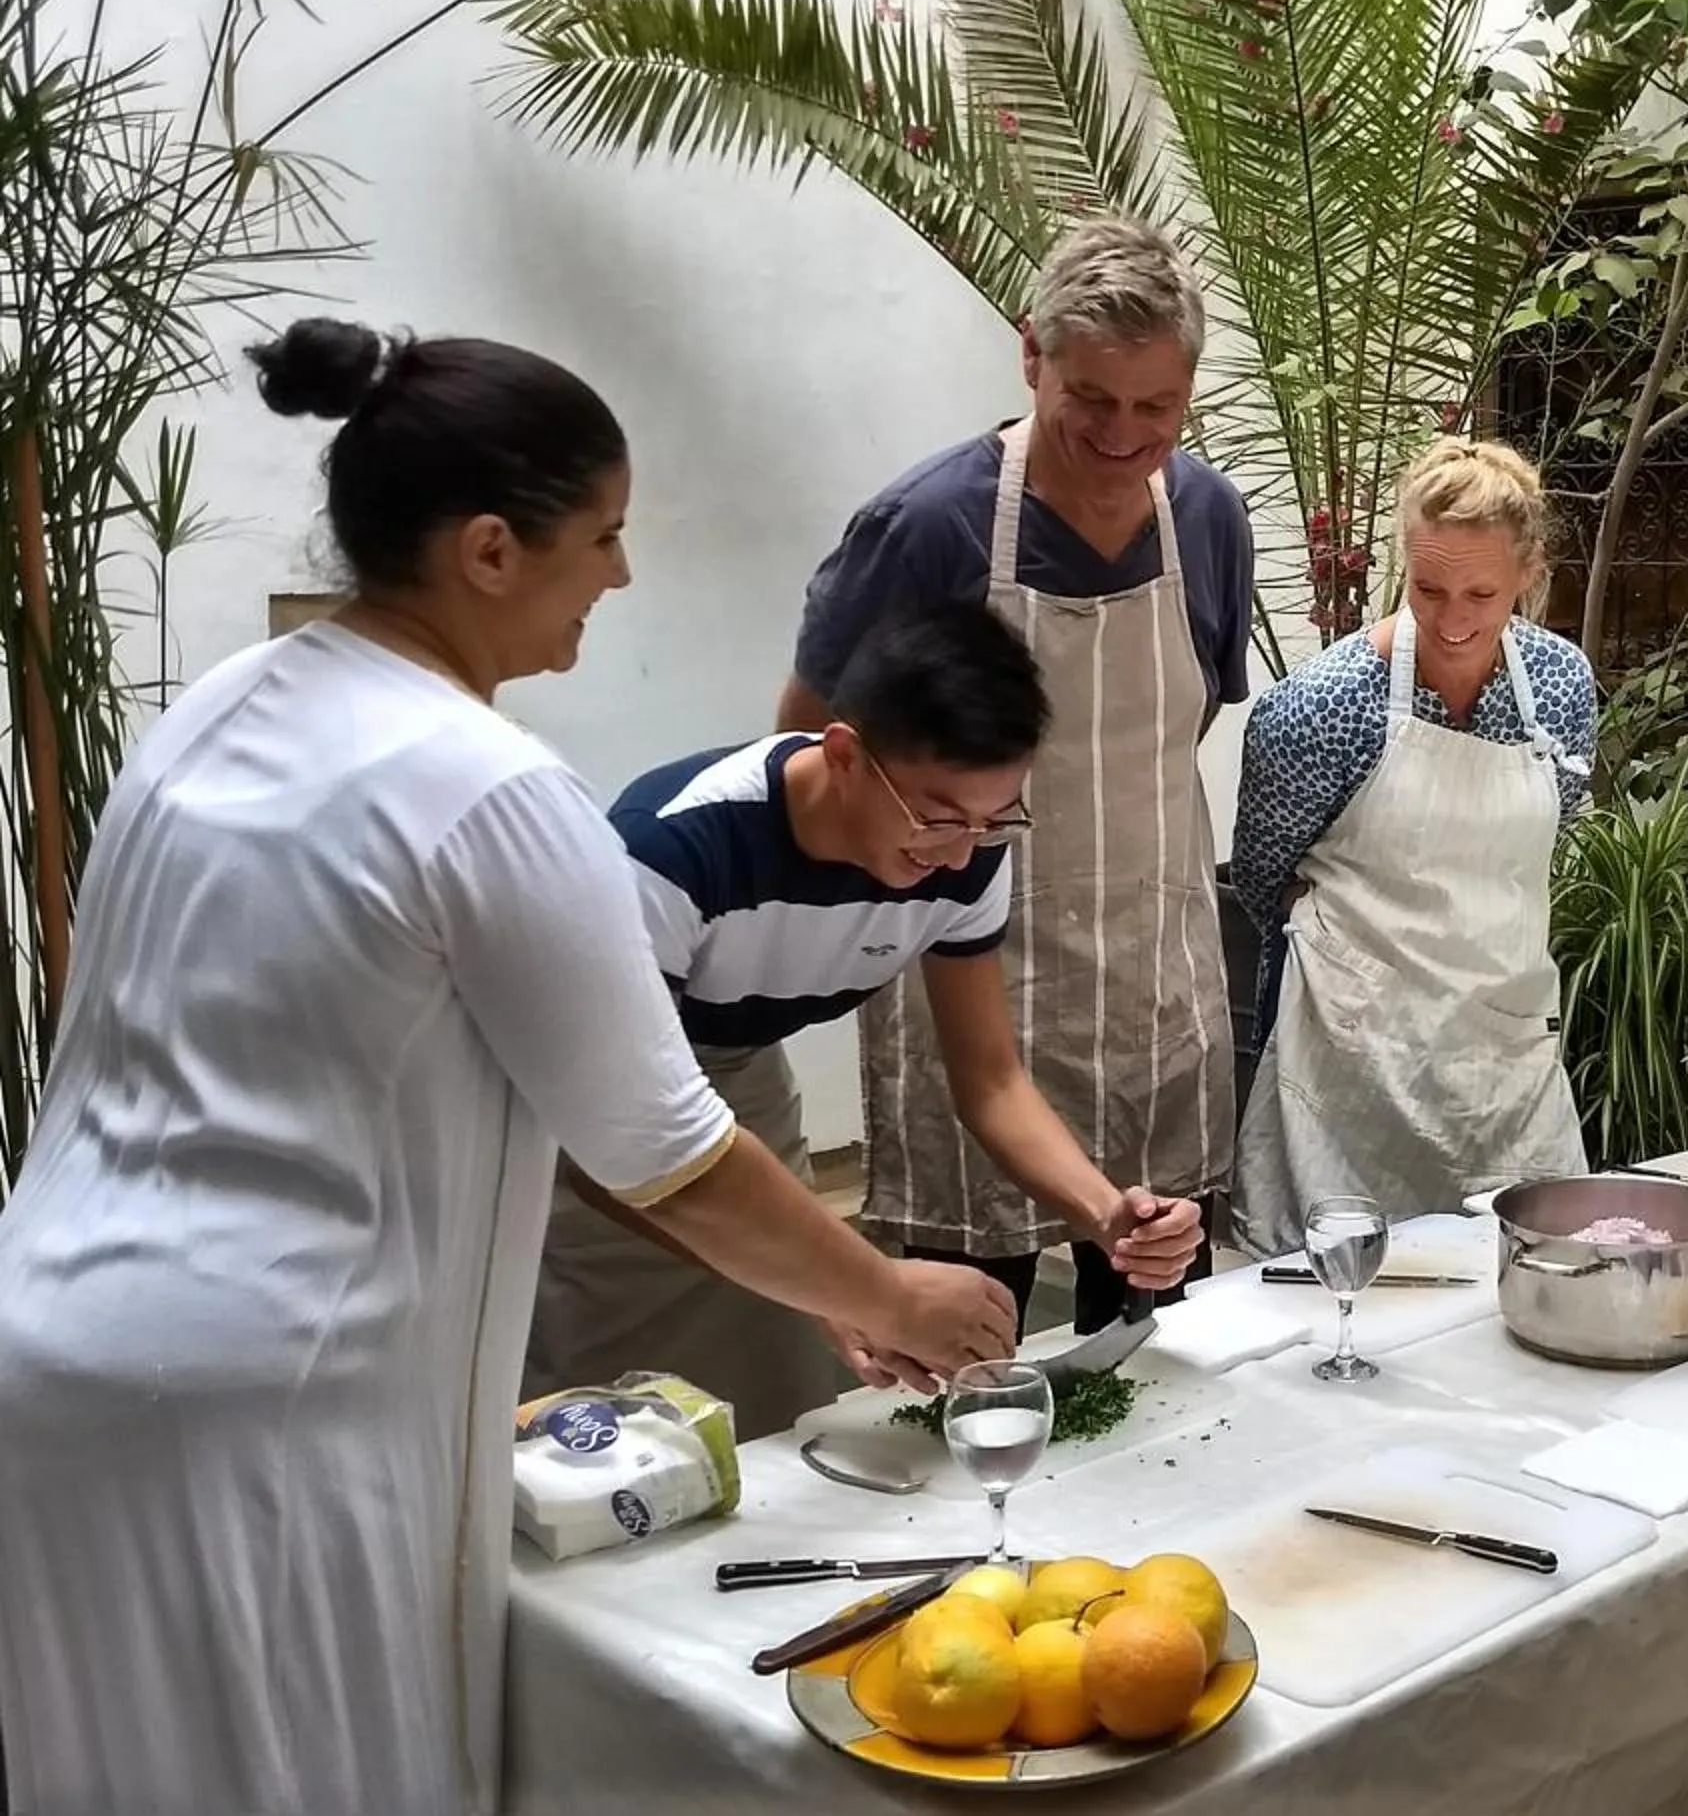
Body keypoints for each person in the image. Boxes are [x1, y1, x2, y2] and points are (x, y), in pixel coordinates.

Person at [0, 321, 1017, 1816]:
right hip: (276, 1402)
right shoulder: (490, 788)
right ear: (488, 549)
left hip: (59, 1344)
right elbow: (662, 1144)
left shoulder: (216, 711)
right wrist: (891, 1293)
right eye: (602, 536)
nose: (617, 574)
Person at [525, 603, 1204, 1435]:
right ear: (844, 754)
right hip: (586, 1107)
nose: (958, 853)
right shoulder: (671, 849)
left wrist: (1105, 1215)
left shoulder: (965, 852)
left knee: (784, 1392)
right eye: (938, 817)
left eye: (996, 819)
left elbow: (990, 1080)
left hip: (737, 1077)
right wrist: (842, 1285)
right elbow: (611, 1149)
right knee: (624, 1426)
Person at [784, 216, 1254, 1331]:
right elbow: (809, 747)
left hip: (1150, 983)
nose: (1122, 436)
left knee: (1156, 1338)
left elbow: (1167, 737)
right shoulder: (926, 528)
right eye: (1091, 398)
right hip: (969, 985)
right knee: (964, 1340)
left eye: (1156, 408)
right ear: (1030, 354)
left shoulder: (1209, 520)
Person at [1229, 437, 1597, 1254]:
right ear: (1404, 563)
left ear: (1528, 575)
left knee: (1533, 1269)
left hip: (1504, 1058)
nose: (1454, 618)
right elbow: (1261, 878)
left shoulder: (1564, 689)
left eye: (1482, 592)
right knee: (1337, 1294)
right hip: (1351, 1064)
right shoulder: (1320, 709)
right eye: (1429, 589)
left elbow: (1550, 836)